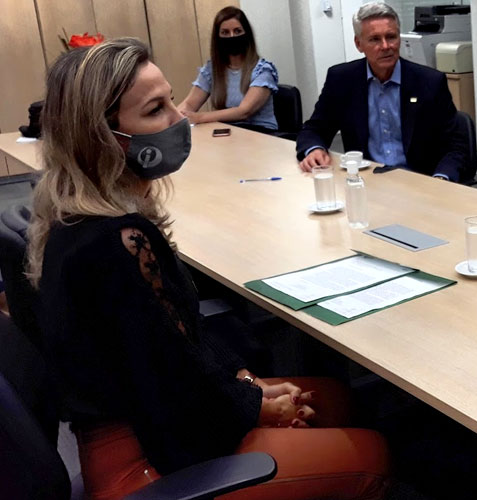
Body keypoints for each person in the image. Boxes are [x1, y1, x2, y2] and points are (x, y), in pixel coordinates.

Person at [27, 39, 388, 500]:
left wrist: (247, 384)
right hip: (143, 460)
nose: (179, 118)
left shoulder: (82, 215)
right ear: (103, 136)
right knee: (373, 455)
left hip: (145, 422)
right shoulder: (119, 241)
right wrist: (258, 408)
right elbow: (175, 405)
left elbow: (180, 343)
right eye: (155, 110)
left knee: (334, 398)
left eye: (171, 100)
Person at [296, 2, 471, 183]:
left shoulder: (429, 82)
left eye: (391, 37)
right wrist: (314, 149)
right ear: (359, 44)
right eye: (375, 39)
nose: (386, 46)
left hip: (418, 182)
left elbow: (456, 145)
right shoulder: (342, 80)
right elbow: (314, 129)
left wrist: (441, 178)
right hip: (366, 181)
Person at [177, 7, 279, 132]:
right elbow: (189, 104)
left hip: (262, 134)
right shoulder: (212, 69)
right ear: (217, 38)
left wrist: (199, 117)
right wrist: (177, 117)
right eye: (225, 32)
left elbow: (243, 111)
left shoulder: (263, 70)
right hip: (229, 132)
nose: (232, 36)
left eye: (237, 31)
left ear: (247, 34)